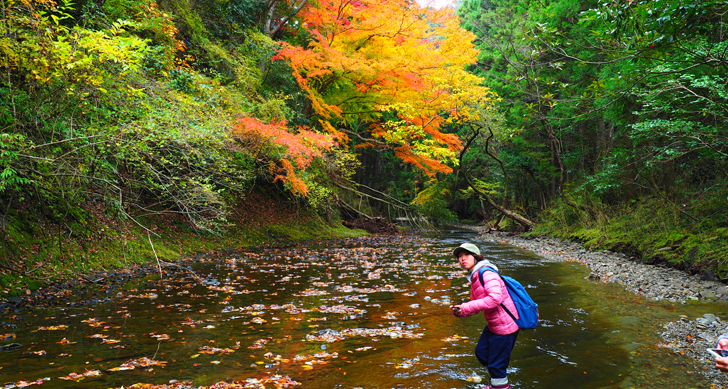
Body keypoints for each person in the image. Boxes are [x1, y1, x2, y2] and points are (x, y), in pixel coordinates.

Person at [450, 243, 519, 389]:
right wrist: (462, 311)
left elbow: (495, 299)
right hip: (494, 324)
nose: (462, 259)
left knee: (496, 364)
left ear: (476, 256)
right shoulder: (475, 275)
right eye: (459, 256)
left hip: (505, 326)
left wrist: (466, 306)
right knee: (481, 352)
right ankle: (497, 381)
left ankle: (501, 385)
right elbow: (478, 303)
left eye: (466, 255)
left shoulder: (486, 273)